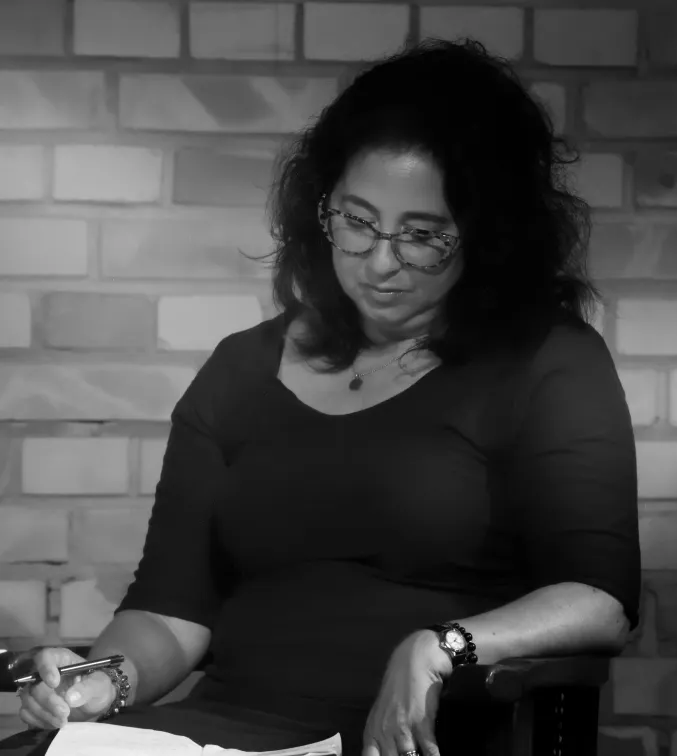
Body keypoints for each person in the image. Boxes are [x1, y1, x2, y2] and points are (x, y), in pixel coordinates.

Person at [2, 38, 640, 756]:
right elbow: (170, 609)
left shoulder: (548, 363)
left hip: (412, 739)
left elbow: (598, 600)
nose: (379, 261)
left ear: (489, 238)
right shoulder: (242, 369)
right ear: (321, 207)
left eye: (424, 236)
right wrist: (99, 680)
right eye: (358, 221)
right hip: (221, 732)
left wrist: (442, 647)